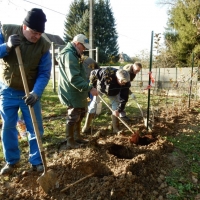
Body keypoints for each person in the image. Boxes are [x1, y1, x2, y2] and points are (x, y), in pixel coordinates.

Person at [0, 8, 52, 175]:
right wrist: (6, 46)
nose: (37, 36)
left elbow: (44, 73)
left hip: (30, 93)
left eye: (40, 33)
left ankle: (36, 162)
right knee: (8, 126)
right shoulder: (6, 31)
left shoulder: (44, 46)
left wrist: (36, 93)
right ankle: (12, 161)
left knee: (35, 127)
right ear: (24, 26)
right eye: (34, 32)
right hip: (8, 90)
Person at [57, 34, 98, 149]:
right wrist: (89, 87)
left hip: (78, 91)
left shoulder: (75, 54)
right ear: (76, 43)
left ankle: (77, 136)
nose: (84, 49)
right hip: (72, 91)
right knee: (73, 116)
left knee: (80, 114)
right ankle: (70, 141)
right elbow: (74, 78)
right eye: (83, 47)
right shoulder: (69, 55)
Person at [83, 67, 130, 135]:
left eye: (125, 82)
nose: (123, 84)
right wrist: (92, 87)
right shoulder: (106, 72)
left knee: (116, 106)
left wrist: (119, 110)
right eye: (122, 82)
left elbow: (124, 97)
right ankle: (86, 127)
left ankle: (115, 129)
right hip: (100, 89)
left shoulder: (126, 83)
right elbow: (93, 73)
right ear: (117, 77)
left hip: (113, 92)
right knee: (93, 106)